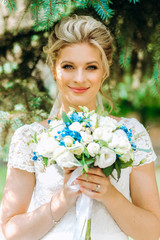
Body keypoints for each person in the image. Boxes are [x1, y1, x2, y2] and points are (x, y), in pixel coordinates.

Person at [0, 14, 160, 240]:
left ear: (104, 71)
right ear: (55, 69)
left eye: (91, 67)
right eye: (68, 66)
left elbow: (153, 232)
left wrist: (109, 195)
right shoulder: (29, 137)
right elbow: (10, 232)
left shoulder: (132, 135)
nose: (79, 78)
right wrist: (61, 201)